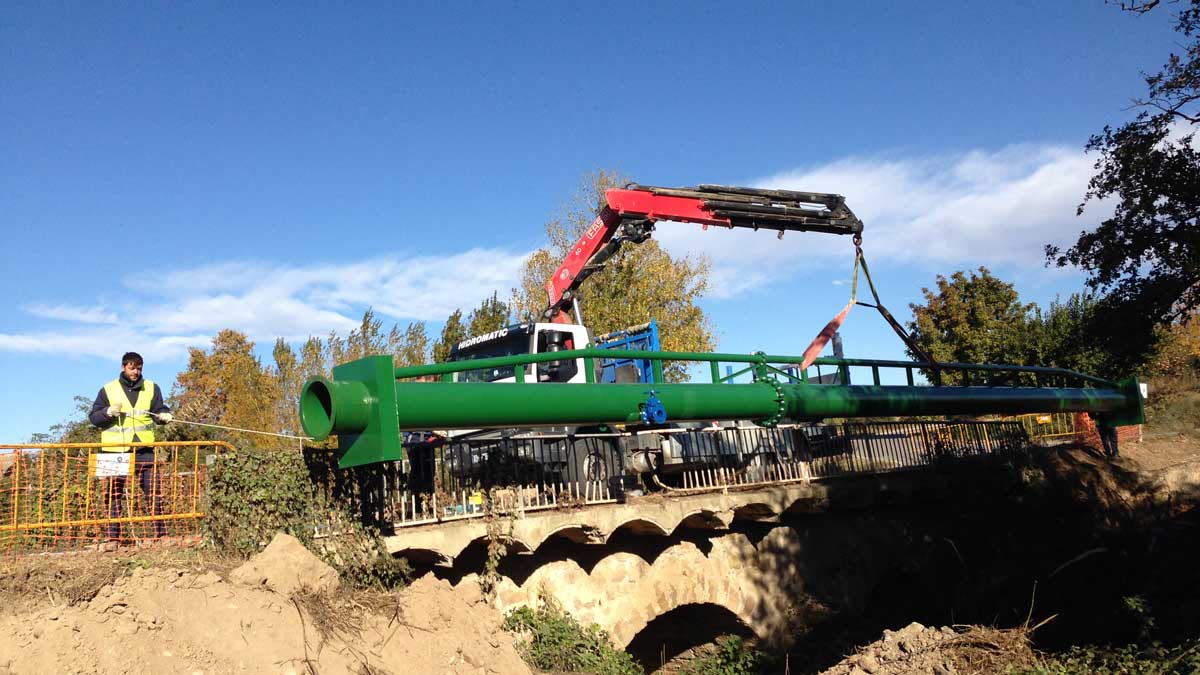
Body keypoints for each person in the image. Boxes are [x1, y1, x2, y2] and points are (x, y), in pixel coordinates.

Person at [89, 352, 173, 548]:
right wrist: (106, 412)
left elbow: (159, 409)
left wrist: (164, 415)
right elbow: (94, 418)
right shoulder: (108, 390)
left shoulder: (152, 388)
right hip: (115, 451)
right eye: (132, 367)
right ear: (123, 367)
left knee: (153, 492)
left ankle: (161, 535)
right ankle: (113, 539)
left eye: (139, 367)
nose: (136, 371)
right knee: (114, 494)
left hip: (144, 449)